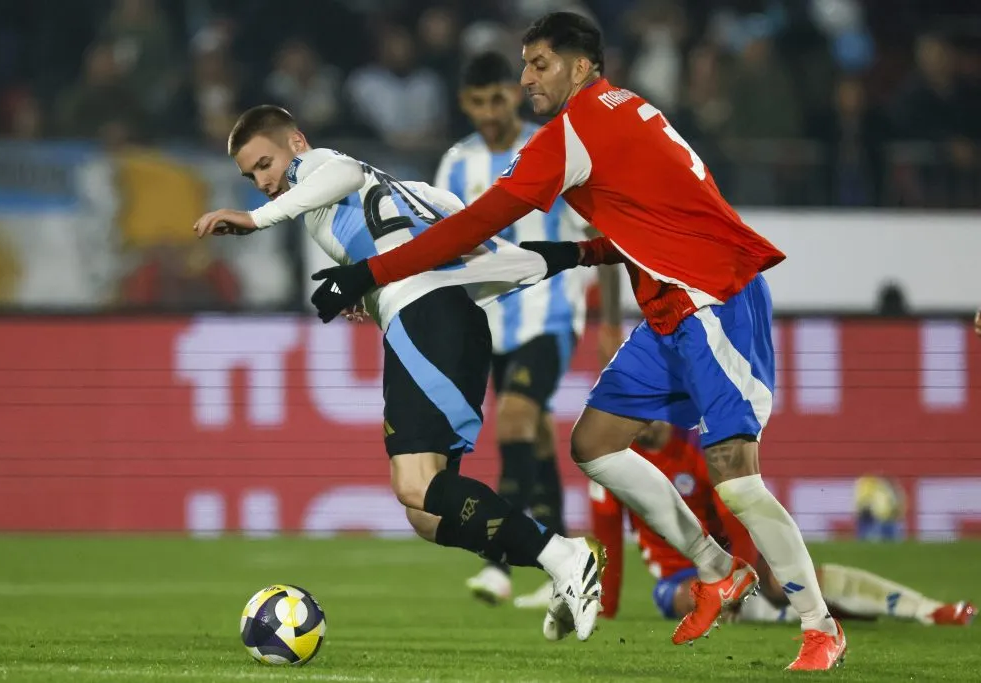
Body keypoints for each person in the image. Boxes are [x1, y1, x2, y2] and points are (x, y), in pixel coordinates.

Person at [306, 12, 845, 670]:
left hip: (713, 298)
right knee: (594, 443)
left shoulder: (576, 131)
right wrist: (584, 254)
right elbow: (653, 215)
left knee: (734, 473)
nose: (526, 78)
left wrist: (369, 272)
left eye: (540, 64)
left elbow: (476, 223)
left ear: (582, 66)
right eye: (524, 64)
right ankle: (717, 569)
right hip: (669, 306)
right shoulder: (624, 109)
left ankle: (819, 626)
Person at [192, 105, 606, 641]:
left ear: (295, 142)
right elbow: (464, 230)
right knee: (427, 515)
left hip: (425, 320)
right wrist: (583, 254)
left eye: (265, 164)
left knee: (416, 483)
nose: (264, 182)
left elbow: (341, 172)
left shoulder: (318, 166)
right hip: (453, 321)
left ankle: (564, 557)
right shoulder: (406, 190)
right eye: (251, 177)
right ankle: (558, 561)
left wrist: (257, 217)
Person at [437, 51, 616, 608]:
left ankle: (498, 565)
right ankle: (565, 569)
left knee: (513, 419)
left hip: (550, 314)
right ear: (464, 103)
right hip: (489, 321)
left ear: (514, 94)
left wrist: (611, 322)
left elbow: (604, 232)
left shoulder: (554, 147)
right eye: (477, 102)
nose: (489, 113)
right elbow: (440, 243)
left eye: (497, 99)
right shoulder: (456, 165)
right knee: (533, 431)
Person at [589, 422, 977, 628]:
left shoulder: (697, 447)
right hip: (677, 577)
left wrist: (738, 574)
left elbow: (735, 517)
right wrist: (604, 608)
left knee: (783, 580)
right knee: (690, 597)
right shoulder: (613, 460)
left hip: (731, 559)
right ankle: (807, 615)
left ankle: (928, 610)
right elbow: (607, 537)